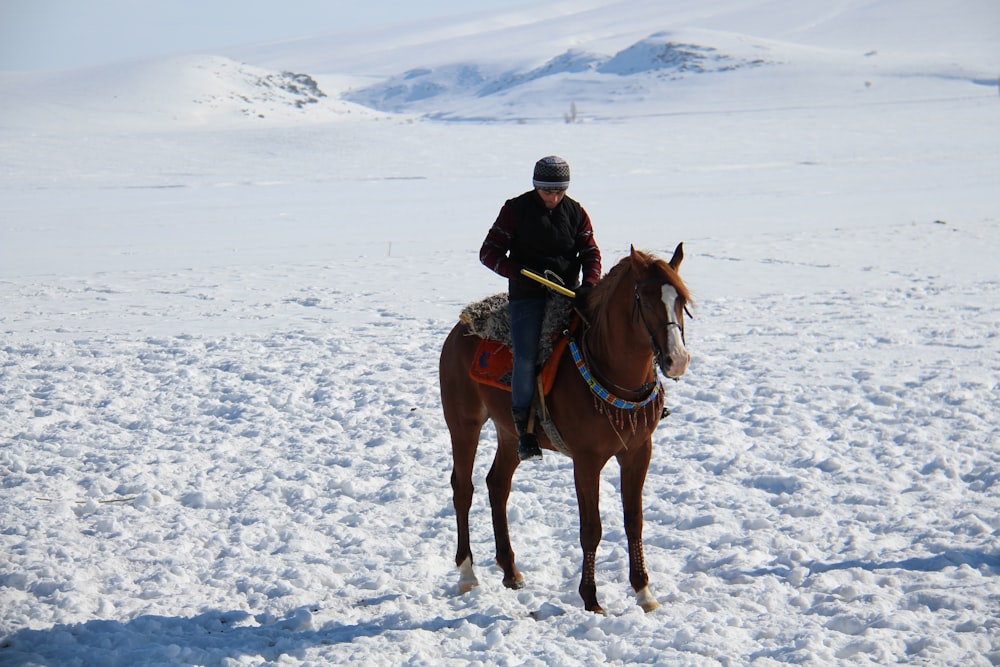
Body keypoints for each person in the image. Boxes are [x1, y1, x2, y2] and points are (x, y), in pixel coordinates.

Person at [480, 155, 602, 461]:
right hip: (527, 296)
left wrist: (589, 283)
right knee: (526, 357)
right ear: (537, 187)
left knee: (607, 334)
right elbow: (489, 253)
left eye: (560, 191)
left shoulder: (576, 212)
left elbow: (590, 252)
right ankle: (524, 428)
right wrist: (517, 271)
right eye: (548, 191)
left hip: (568, 294)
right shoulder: (515, 210)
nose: (554, 197)